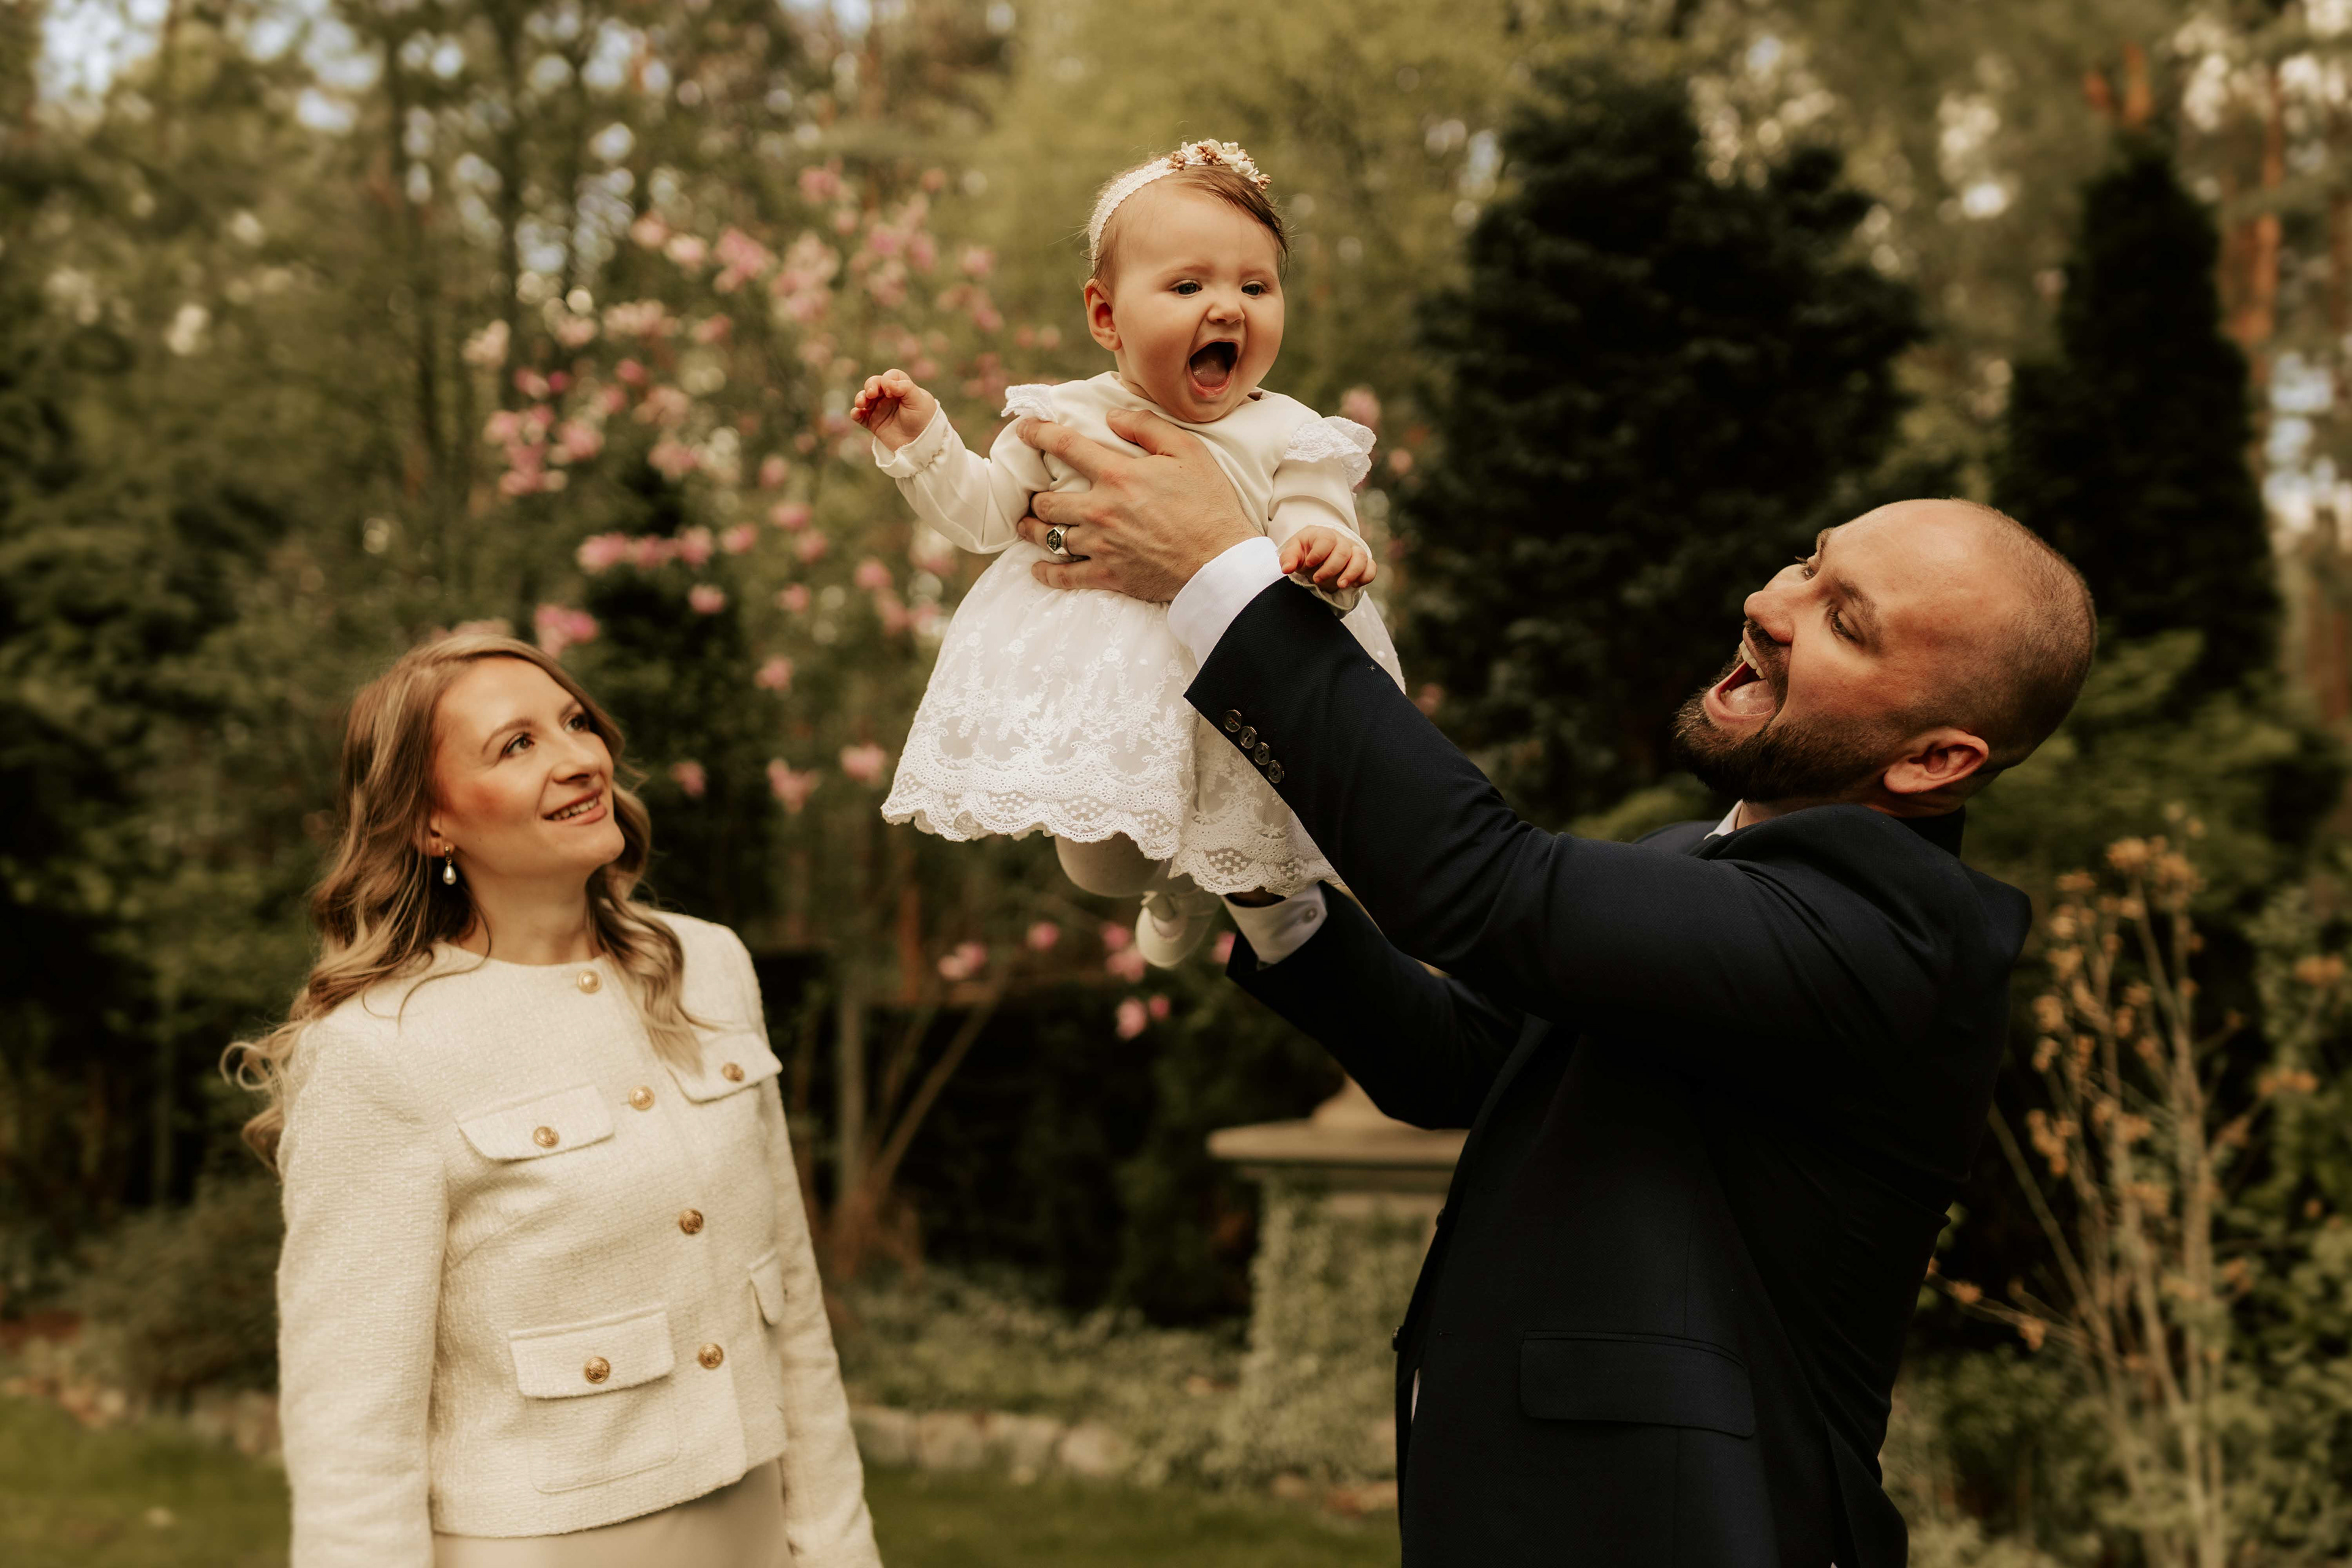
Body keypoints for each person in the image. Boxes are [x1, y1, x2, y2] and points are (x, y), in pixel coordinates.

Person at [1001, 412, 2097, 1568]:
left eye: (1845, 623)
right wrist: (1260, 873)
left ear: (1935, 760)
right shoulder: (1699, 864)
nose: (1771, 604)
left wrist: (1224, 579)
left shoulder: (1897, 935)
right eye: (1809, 563)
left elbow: (1482, 885)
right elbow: (1458, 1062)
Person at [228, 634, 880, 1568]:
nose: (579, 759)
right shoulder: (378, 1049)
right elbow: (353, 1432)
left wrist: (840, 1549)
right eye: (517, 745)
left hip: (756, 1533)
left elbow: (797, 1318)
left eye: (576, 723)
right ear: (432, 824)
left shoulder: (710, 966)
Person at [848, 138, 1403, 967]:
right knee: (1101, 862)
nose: (1229, 308)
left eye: (1255, 286)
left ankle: (1265, 902)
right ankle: (1170, 888)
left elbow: (1314, 518)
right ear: (1106, 316)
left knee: (1265, 819)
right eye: (1188, 286)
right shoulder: (1063, 416)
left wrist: (1328, 551)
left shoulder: (1290, 431)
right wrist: (925, 445)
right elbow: (990, 517)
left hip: (1245, 667)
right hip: (1111, 685)